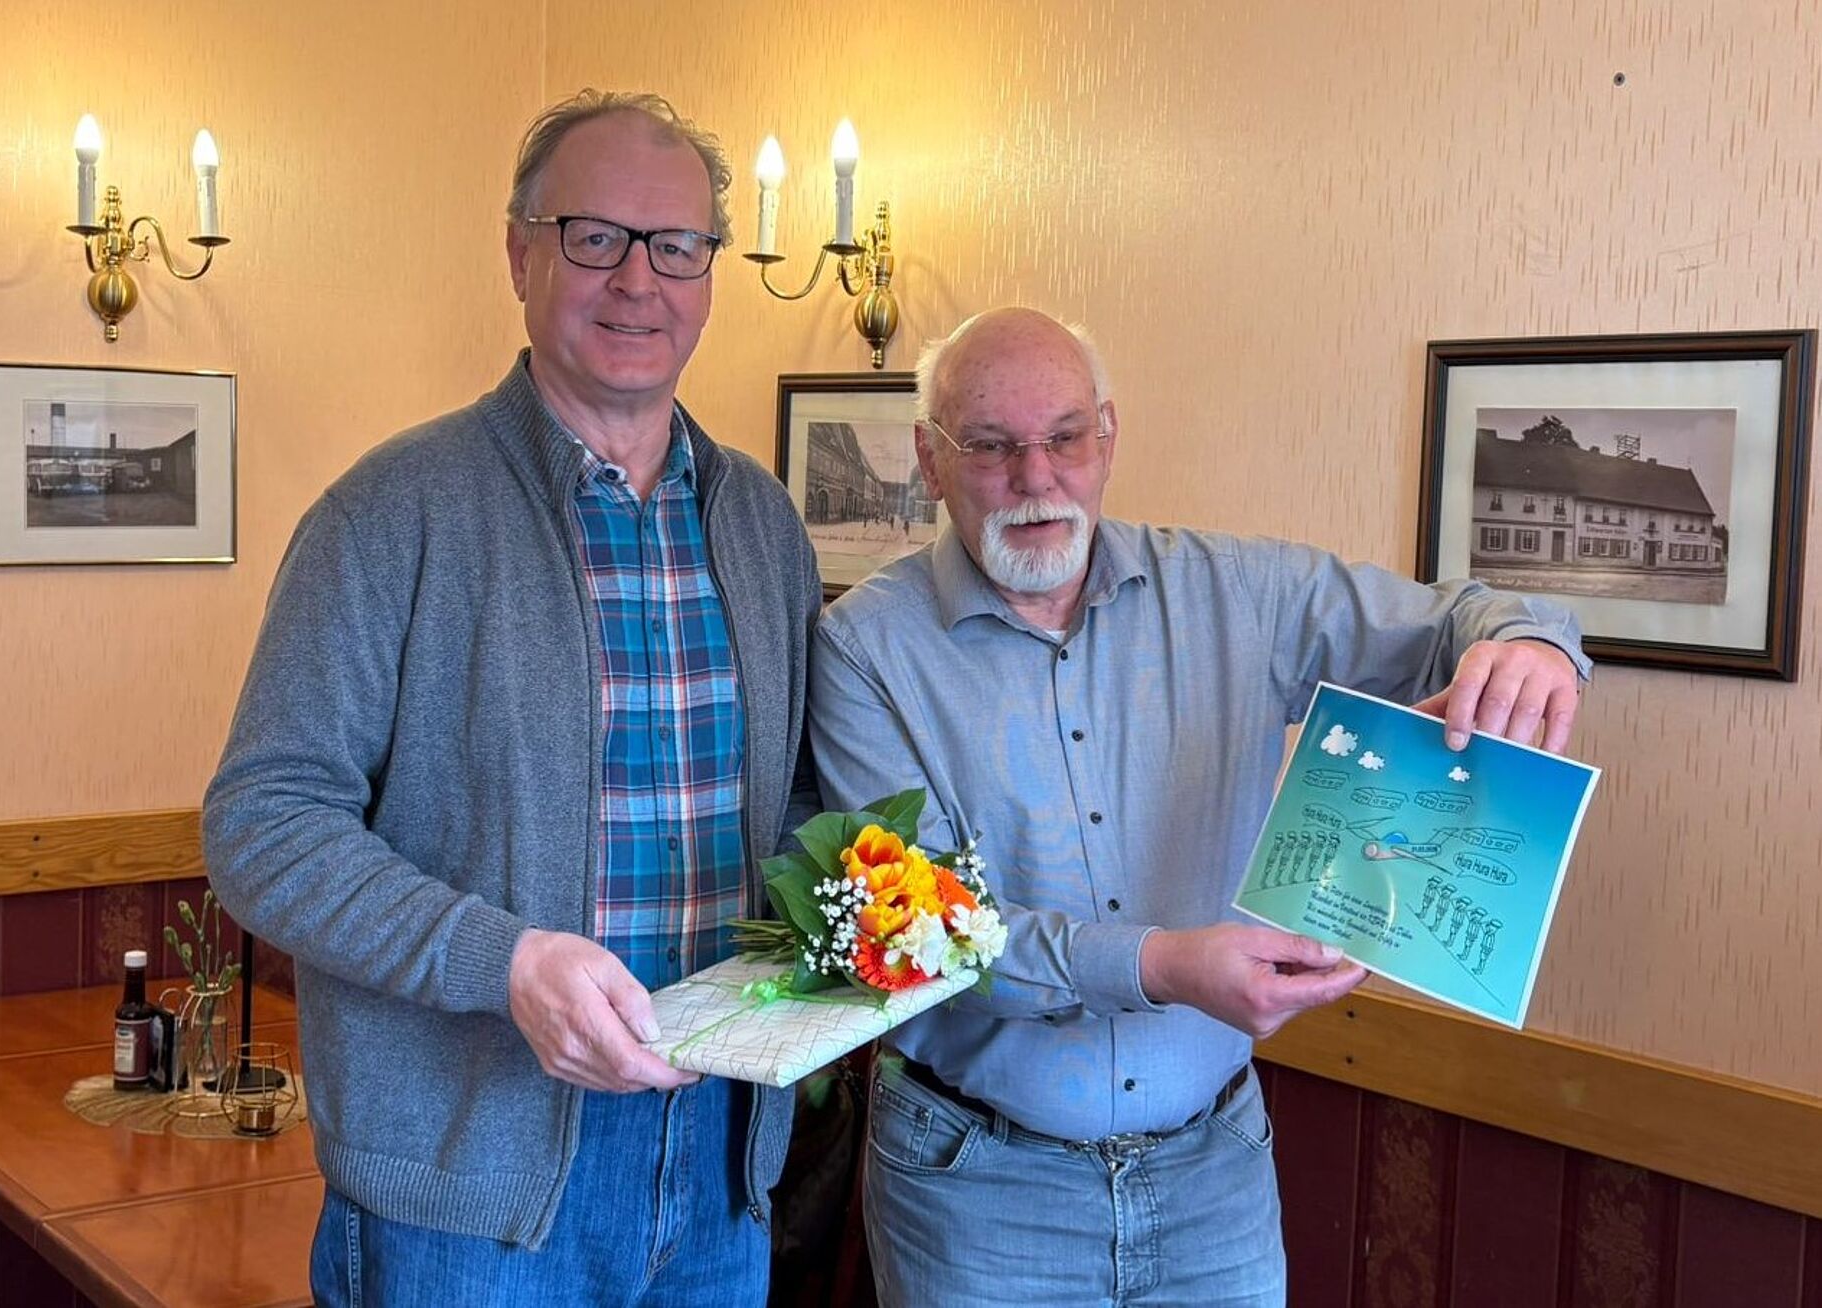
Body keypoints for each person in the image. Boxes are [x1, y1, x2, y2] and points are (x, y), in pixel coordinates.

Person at [808, 307, 1589, 1307]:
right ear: (930, 456)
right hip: (976, 1190)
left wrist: (1528, 645)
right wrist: (1162, 966)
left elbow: (1461, 617)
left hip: (1213, 1173)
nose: (1036, 478)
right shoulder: (864, 648)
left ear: (1110, 436)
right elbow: (911, 931)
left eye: (1065, 437)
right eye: (992, 446)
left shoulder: (1241, 593)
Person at [203, 90, 821, 1307]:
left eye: (677, 247)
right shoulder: (389, 515)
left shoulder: (762, 524)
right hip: (465, 1198)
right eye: (595, 236)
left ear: (710, 273)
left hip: (717, 1168)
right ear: (520, 253)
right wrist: (508, 963)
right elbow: (262, 826)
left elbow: (798, 804)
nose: (638, 280)